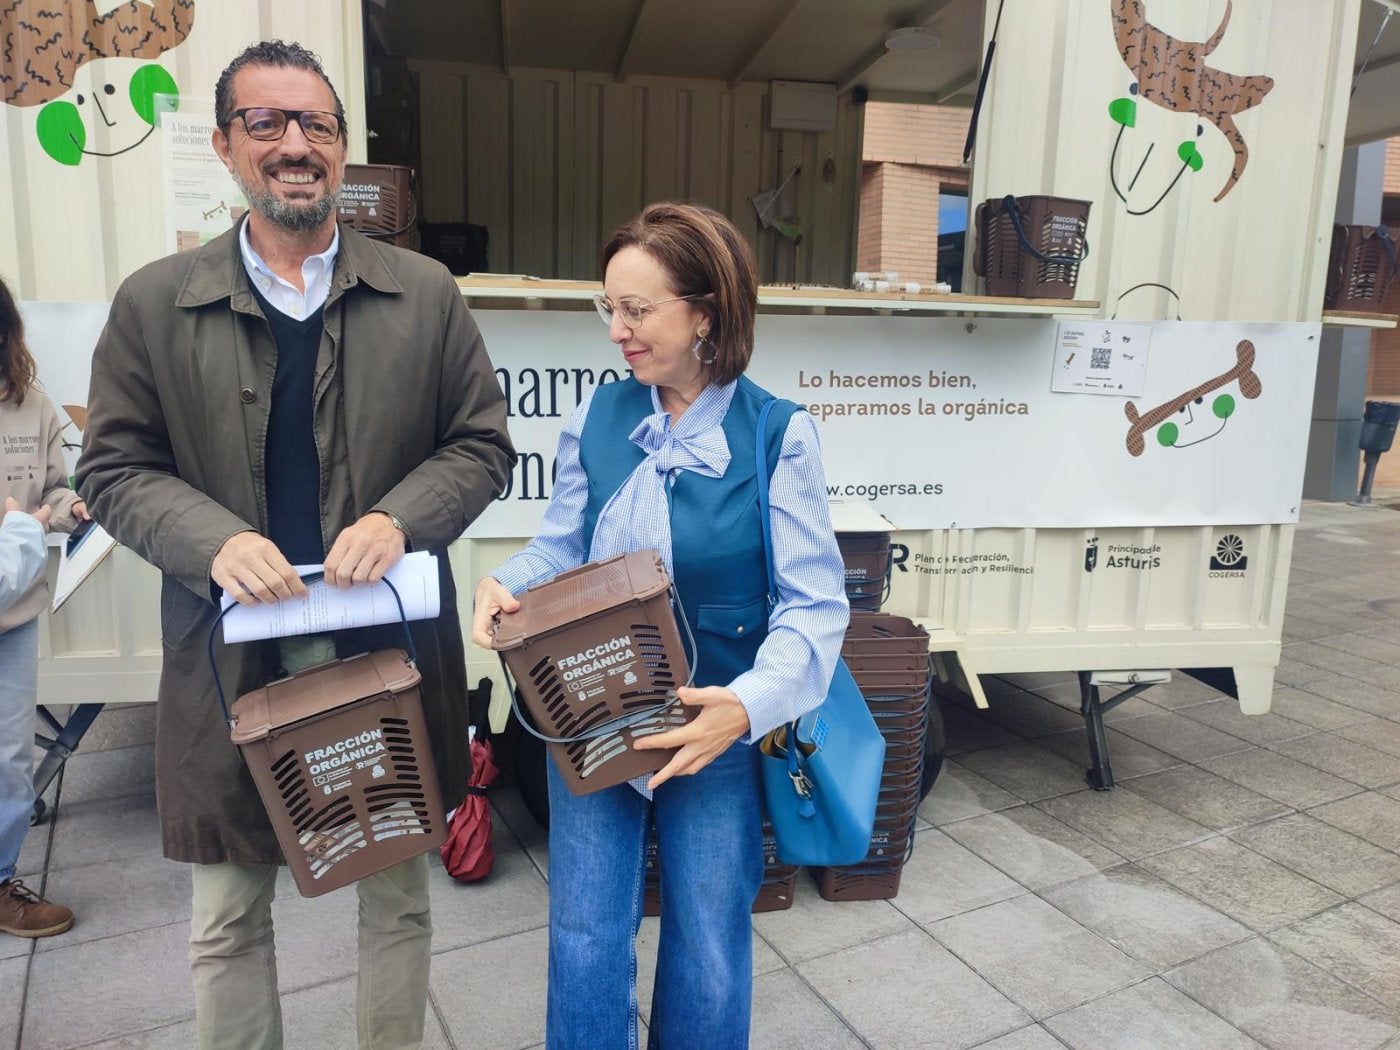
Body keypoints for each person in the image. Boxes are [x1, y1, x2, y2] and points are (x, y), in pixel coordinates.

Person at [76, 40, 515, 1049]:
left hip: (383, 653)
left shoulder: (424, 293)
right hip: (231, 657)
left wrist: (398, 516)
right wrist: (212, 540)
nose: (294, 145)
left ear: (342, 150)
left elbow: (482, 443)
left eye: (315, 125)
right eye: (267, 124)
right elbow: (111, 468)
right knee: (228, 920)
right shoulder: (154, 303)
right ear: (228, 145)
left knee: (397, 900)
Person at [472, 202, 848, 1050]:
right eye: (609, 307)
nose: (617, 330)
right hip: (593, 715)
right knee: (584, 933)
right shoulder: (599, 419)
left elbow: (814, 606)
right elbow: (559, 544)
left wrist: (746, 707)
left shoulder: (776, 436)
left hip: (713, 723)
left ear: (705, 313)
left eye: (637, 310)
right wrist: (504, 582)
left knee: (709, 937)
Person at [0, 275, 87, 940]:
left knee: (10, 758)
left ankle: (2, 884)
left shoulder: (30, 404)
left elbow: (50, 491)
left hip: (12, 612)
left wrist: (70, 507)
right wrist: (22, 525)